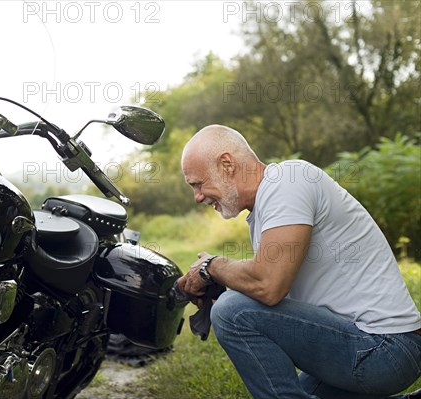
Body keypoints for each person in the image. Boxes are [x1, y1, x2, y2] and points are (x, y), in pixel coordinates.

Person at [176, 125, 421, 398]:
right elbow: (271, 288)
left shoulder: (287, 181)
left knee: (232, 312)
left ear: (226, 164)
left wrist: (213, 268)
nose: (197, 197)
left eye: (198, 184)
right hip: (368, 345)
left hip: (383, 348)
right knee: (303, 390)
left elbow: (269, 285)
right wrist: (220, 280)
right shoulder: (266, 206)